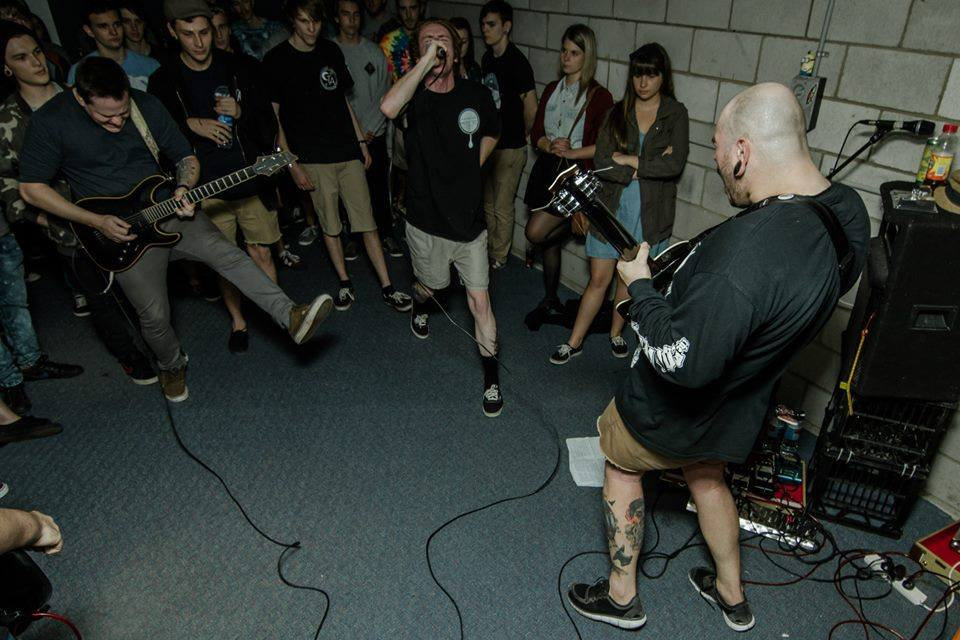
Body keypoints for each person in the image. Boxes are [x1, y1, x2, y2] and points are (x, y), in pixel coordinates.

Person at [565, 82, 870, 632]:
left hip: (676, 404)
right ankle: (732, 595)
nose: (715, 159)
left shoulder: (741, 261)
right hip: (740, 402)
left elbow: (683, 361)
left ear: (743, 152)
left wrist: (640, 288)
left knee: (620, 465)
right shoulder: (844, 211)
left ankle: (621, 597)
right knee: (707, 478)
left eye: (718, 148)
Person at [19, 56, 334, 402]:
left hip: (167, 209)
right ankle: (171, 364)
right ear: (80, 98)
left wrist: (184, 187)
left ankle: (290, 315)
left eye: (123, 112)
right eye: (106, 117)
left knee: (229, 255)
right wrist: (95, 221)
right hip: (116, 233)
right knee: (154, 316)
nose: (117, 121)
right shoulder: (51, 121)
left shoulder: (146, 106)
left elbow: (186, 158)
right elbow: (31, 189)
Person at [0, 20, 155, 385]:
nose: (36, 62)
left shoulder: (79, 95)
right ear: (7, 69)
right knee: (100, 297)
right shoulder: (8, 121)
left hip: (120, 209)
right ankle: (128, 355)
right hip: (70, 230)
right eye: (21, 58)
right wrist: (53, 223)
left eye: (37, 52)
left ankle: (157, 343)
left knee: (138, 287)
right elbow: (10, 191)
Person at [149, 0, 287, 355]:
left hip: (249, 179)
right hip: (204, 188)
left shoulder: (240, 67)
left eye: (205, 32)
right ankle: (239, 322)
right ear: (172, 32)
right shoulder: (163, 81)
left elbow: (268, 123)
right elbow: (154, 137)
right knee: (225, 261)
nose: (199, 42)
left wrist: (242, 111)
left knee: (262, 251)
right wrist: (189, 125)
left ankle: (278, 315)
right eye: (188, 34)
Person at [381, 18, 503, 417]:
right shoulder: (413, 99)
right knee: (431, 288)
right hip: (426, 221)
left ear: (457, 48)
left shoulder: (476, 93)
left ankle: (491, 380)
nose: (437, 46)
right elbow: (387, 107)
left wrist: (473, 164)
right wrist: (424, 64)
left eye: (443, 40)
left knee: (480, 300)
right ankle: (420, 303)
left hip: (469, 224)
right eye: (427, 41)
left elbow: (494, 130)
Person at [263, 0, 411, 314]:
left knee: (367, 222)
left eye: (316, 21)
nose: (311, 28)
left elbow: (343, 102)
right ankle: (344, 282)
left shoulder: (330, 50)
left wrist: (360, 142)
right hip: (312, 158)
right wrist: (291, 164)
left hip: (345, 150)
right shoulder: (277, 60)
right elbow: (274, 119)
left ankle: (387, 286)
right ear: (292, 21)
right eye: (304, 21)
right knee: (330, 225)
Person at [549, 43, 688, 365]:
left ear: (663, 77)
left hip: (650, 213)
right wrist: (641, 166)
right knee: (598, 280)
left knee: (629, 278)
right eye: (638, 74)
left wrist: (627, 159)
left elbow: (674, 164)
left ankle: (615, 333)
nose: (643, 82)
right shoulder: (617, 112)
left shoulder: (675, 113)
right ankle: (574, 341)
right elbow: (602, 160)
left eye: (651, 74)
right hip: (611, 207)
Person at [523, 23, 612, 328]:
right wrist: (548, 144)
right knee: (548, 243)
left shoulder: (600, 96)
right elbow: (536, 132)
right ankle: (550, 300)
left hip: (576, 176)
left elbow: (604, 147)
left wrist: (573, 150)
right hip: (548, 171)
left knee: (535, 233)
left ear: (587, 56)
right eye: (563, 51)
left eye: (574, 53)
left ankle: (583, 224)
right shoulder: (552, 89)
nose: (566, 57)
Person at [334, 0, 402, 258]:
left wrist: (369, 128)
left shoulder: (374, 52)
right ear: (337, 18)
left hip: (374, 134)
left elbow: (386, 93)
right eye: (346, 14)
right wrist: (354, 132)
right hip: (345, 136)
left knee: (378, 188)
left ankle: (386, 234)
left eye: (355, 15)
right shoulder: (330, 51)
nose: (351, 20)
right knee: (348, 191)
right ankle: (353, 237)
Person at [479, 0, 536, 269]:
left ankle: (499, 256)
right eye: (483, 24)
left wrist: (524, 134)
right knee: (488, 203)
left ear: (506, 26)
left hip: (511, 146)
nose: (485, 29)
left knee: (502, 206)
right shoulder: (487, 58)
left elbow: (531, 107)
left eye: (491, 24)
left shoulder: (517, 62)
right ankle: (490, 249)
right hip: (490, 143)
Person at [68, 1, 160, 92]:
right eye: (103, 26)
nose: (113, 32)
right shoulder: (79, 71)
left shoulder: (150, 65)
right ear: (89, 31)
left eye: (117, 24)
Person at [449, 16, 480, 82]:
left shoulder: (474, 67)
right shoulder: (444, 70)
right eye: (456, 41)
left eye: (464, 42)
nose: (460, 46)